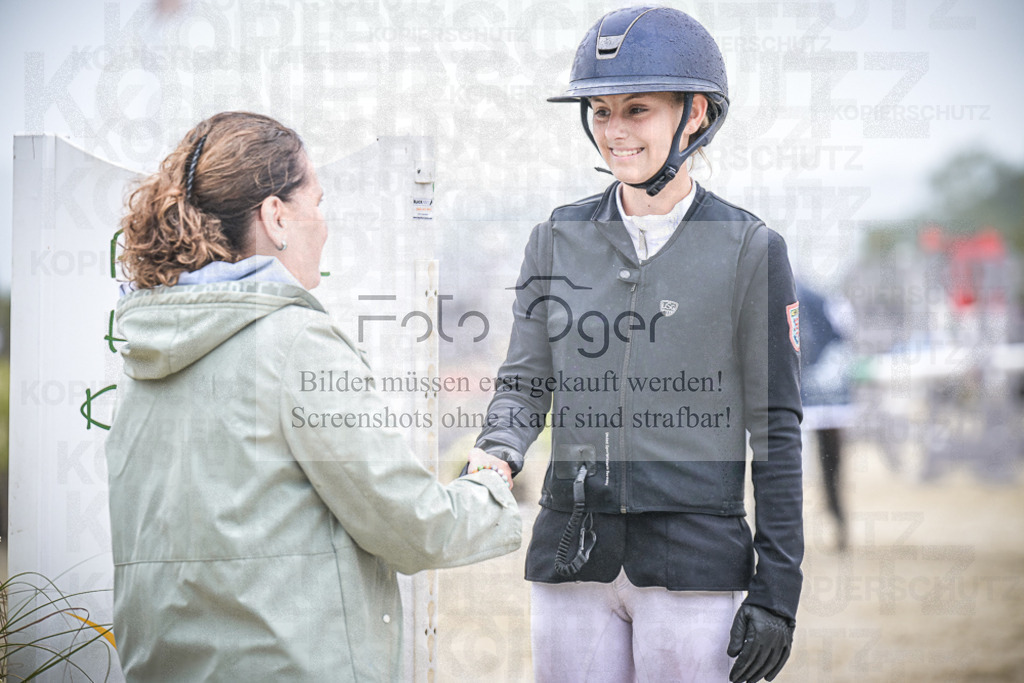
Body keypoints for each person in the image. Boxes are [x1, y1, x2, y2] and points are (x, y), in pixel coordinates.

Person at [106, 111, 521, 681]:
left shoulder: (143, 353)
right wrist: (493, 487)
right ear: (276, 216)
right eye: (317, 203)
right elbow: (411, 528)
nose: (324, 225)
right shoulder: (296, 342)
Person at [466, 7, 803, 682]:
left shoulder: (751, 248)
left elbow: (776, 429)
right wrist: (496, 454)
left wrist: (778, 592)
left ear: (696, 114)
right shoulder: (555, 238)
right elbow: (525, 381)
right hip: (570, 556)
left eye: (637, 109)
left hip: (694, 565)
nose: (613, 132)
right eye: (601, 111)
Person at [796, 281, 855, 552]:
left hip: (810, 385)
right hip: (820, 387)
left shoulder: (820, 295)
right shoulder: (827, 297)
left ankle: (837, 519)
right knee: (830, 459)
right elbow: (846, 335)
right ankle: (837, 518)